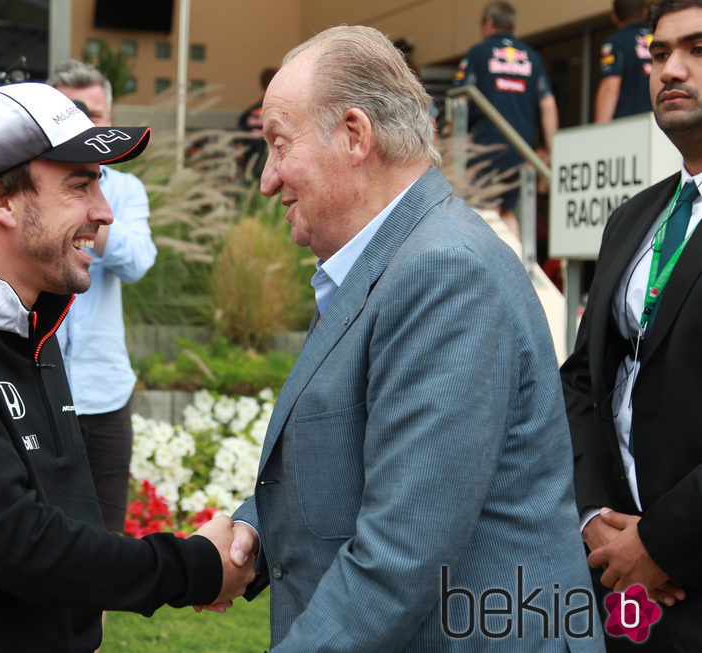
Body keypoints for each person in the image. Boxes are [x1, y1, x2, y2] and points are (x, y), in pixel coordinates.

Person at [220, 25, 601, 651]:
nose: (266, 179)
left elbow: (403, 548)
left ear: (354, 136)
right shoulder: (398, 260)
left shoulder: (442, 272)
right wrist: (254, 532)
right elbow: (363, 456)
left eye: (278, 145)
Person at [0, 82, 252, 652]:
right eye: (79, 185)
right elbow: (19, 544)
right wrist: (193, 566)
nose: (103, 213)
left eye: (100, 185)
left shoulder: (27, 316)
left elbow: (64, 525)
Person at [561, 1, 702, 649]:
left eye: (698, 50)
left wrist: (662, 539)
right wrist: (593, 514)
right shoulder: (630, 218)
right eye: (659, 53)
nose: (672, 69)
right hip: (618, 578)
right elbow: (583, 382)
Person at [48, 60, 157, 534]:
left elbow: (137, 261)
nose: (81, 124)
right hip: (40, 390)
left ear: (108, 121)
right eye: (67, 112)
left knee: (105, 543)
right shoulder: (31, 188)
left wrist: (87, 203)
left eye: (91, 114)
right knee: (42, 538)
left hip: (105, 392)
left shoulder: (126, 190)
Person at [454, 1, 559, 239]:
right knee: (506, 211)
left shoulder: (478, 52)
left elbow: (460, 101)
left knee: (483, 210)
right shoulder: (532, 57)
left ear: (489, 23)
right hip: (520, 149)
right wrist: (550, 151)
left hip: (484, 146)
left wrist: (453, 145)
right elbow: (548, 103)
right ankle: (519, 262)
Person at [594, 0, 653, 123]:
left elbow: (610, 87)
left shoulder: (616, 42)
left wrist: (599, 132)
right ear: (645, 13)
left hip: (628, 125)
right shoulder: (658, 39)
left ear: (614, 17)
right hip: (662, 123)